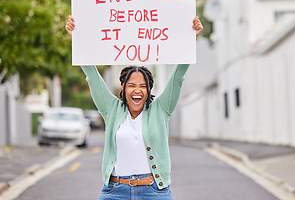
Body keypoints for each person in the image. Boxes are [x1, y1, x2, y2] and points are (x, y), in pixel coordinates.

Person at [65, 16, 203, 200]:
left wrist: (190, 39)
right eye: (131, 85)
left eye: (143, 86)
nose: (137, 90)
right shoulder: (111, 109)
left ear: (149, 89)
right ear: (123, 88)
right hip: (115, 192)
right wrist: (77, 37)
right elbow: (91, 74)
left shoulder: (160, 110)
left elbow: (178, 76)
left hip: (154, 192)